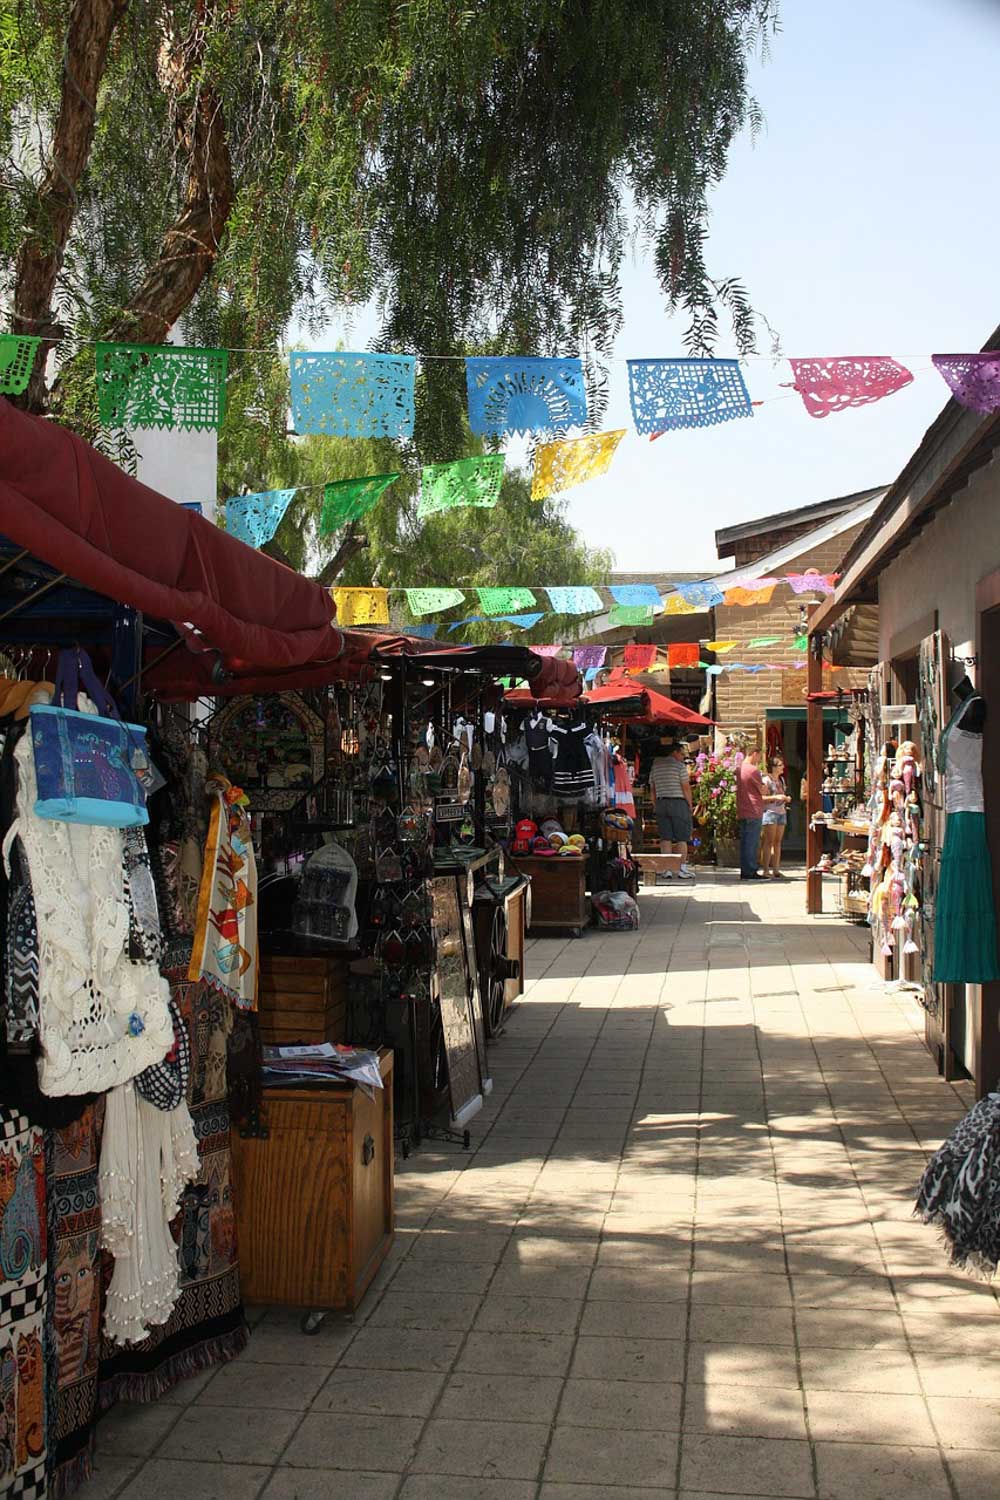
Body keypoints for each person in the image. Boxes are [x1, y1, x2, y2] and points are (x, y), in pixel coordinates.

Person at [649, 739, 695, 881]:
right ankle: (682, 869)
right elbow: (685, 787)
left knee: (665, 837)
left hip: (662, 802)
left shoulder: (656, 765)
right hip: (678, 802)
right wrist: (690, 804)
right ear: (674, 752)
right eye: (681, 754)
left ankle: (666, 868)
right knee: (682, 837)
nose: (682, 757)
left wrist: (655, 804)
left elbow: (653, 788)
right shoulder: (679, 766)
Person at [737, 747, 765, 880]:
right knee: (752, 842)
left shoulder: (739, 769)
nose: (759, 759)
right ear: (754, 754)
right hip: (754, 809)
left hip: (742, 808)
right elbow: (763, 790)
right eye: (759, 756)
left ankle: (745, 870)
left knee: (745, 842)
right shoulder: (753, 770)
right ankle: (751, 871)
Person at [760, 754, 791, 878]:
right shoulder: (766, 780)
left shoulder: (781, 780)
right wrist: (775, 797)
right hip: (770, 812)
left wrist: (786, 798)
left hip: (781, 812)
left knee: (778, 842)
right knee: (768, 841)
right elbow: (761, 798)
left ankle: (776, 869)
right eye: (780, 765)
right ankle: (766, 869)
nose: (782, 767)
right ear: (773, 767)